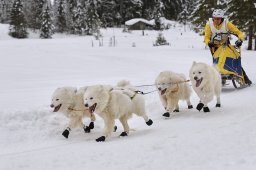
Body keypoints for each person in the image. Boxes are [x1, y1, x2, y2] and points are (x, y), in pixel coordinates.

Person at [204, 9, 252, 85]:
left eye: (218, 19)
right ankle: (220, 77)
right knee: (216, 62)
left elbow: (239, 33)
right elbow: (206, 37)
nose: (216, 20)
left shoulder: (227, 24)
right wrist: (208, 42)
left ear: (222, 18)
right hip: (215, 47)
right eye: (214, 18)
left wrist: (240, 40)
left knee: (234, 59)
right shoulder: (209, 25)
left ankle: (245, 78)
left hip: (226, 45)